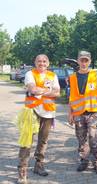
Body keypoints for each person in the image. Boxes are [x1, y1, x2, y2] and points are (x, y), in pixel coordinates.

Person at [17, 54, 60, 184]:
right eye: (39, 61)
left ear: (48, 63)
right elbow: (32, 88)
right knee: (27, 140)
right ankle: (22, 171)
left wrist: (40, 91)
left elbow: (57, 93)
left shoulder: (53, 75)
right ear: (35, 62)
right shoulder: (30, 74)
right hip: (32, 111)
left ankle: (39, 165)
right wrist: (48, 90)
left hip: (48, 113)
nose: (42, 63)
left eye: (44, 61)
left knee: (43, 141)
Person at [68, 50, 97, 174]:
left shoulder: (95, 75)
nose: (83, 63)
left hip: (92, 112)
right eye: (81, 60)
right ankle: (84, 161)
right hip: (78, 113)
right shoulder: (72, 77)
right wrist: (70, 114)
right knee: (81, 139)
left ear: (89, 61)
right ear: (78, 61)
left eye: (86, 60)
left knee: (93, 137)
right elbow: (71, 97)